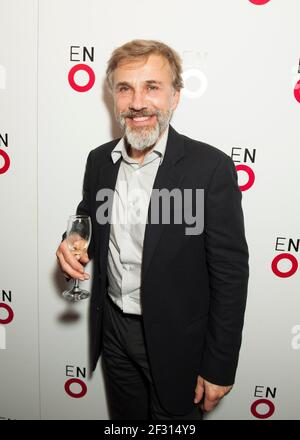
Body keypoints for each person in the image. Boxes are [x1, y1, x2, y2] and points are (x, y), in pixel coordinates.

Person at [56, 39, 249, 420]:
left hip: (178, 341)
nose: (138, 102)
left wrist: (219, 365)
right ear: (113, 97)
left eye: (152, 87)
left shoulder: (209, 169)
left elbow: (230, 274)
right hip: (112, 330)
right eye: (125, 88)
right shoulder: (100, 160)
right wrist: (72, 242)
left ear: (175, 96)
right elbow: (89, 218)